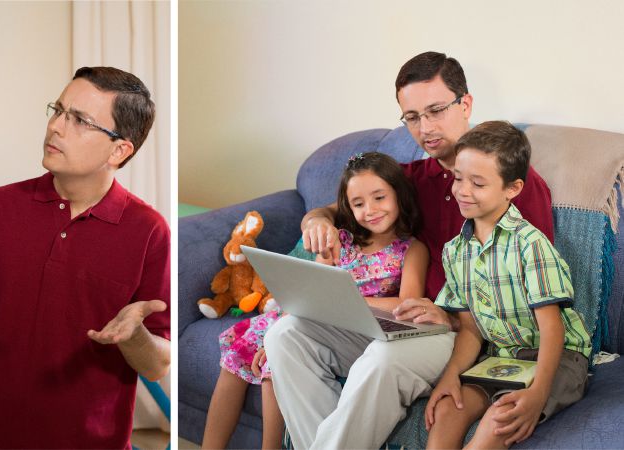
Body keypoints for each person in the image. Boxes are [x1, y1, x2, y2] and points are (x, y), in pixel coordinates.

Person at [264, 51, 556, 449]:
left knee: (382, 360)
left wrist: (450, 315)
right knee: (285, 334)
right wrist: (315, 220)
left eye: (435, 110)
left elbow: (528, 286)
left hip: (460, 333)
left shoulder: (513, 184)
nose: (426, 128)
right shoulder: (412, 179)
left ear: (465, 104)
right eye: (413, 117)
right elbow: (343, 207)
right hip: (409, 323)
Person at [0, 67, 170, 448]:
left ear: (119, 149)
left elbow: (157, 363)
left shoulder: (149, 231)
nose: (56, 126)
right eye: (58, 110)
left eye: (79, 120)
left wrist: (135, 336)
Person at [201, 152, 428, 450]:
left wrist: (351, 299)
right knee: (233, 361)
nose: (370, 210)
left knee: (275, 365)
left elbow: (408, 303)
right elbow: (312, 287)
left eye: (379, 198)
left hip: (348, 328)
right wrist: (279, 324)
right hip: (304, 317)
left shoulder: (412, 249)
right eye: (358, 204)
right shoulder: (340, 240)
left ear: (398, 194)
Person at [424, 121, 590, 449]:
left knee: (499, 419)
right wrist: (450, 376)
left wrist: (538, 393)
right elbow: (470, 330)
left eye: (478, 183)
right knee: (447, 409)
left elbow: (552, 329)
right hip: (501, 357)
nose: (462, 190)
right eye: (458, 178)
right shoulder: (454, 251)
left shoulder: (530, 245)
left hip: (557, 357)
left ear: (512, 188)